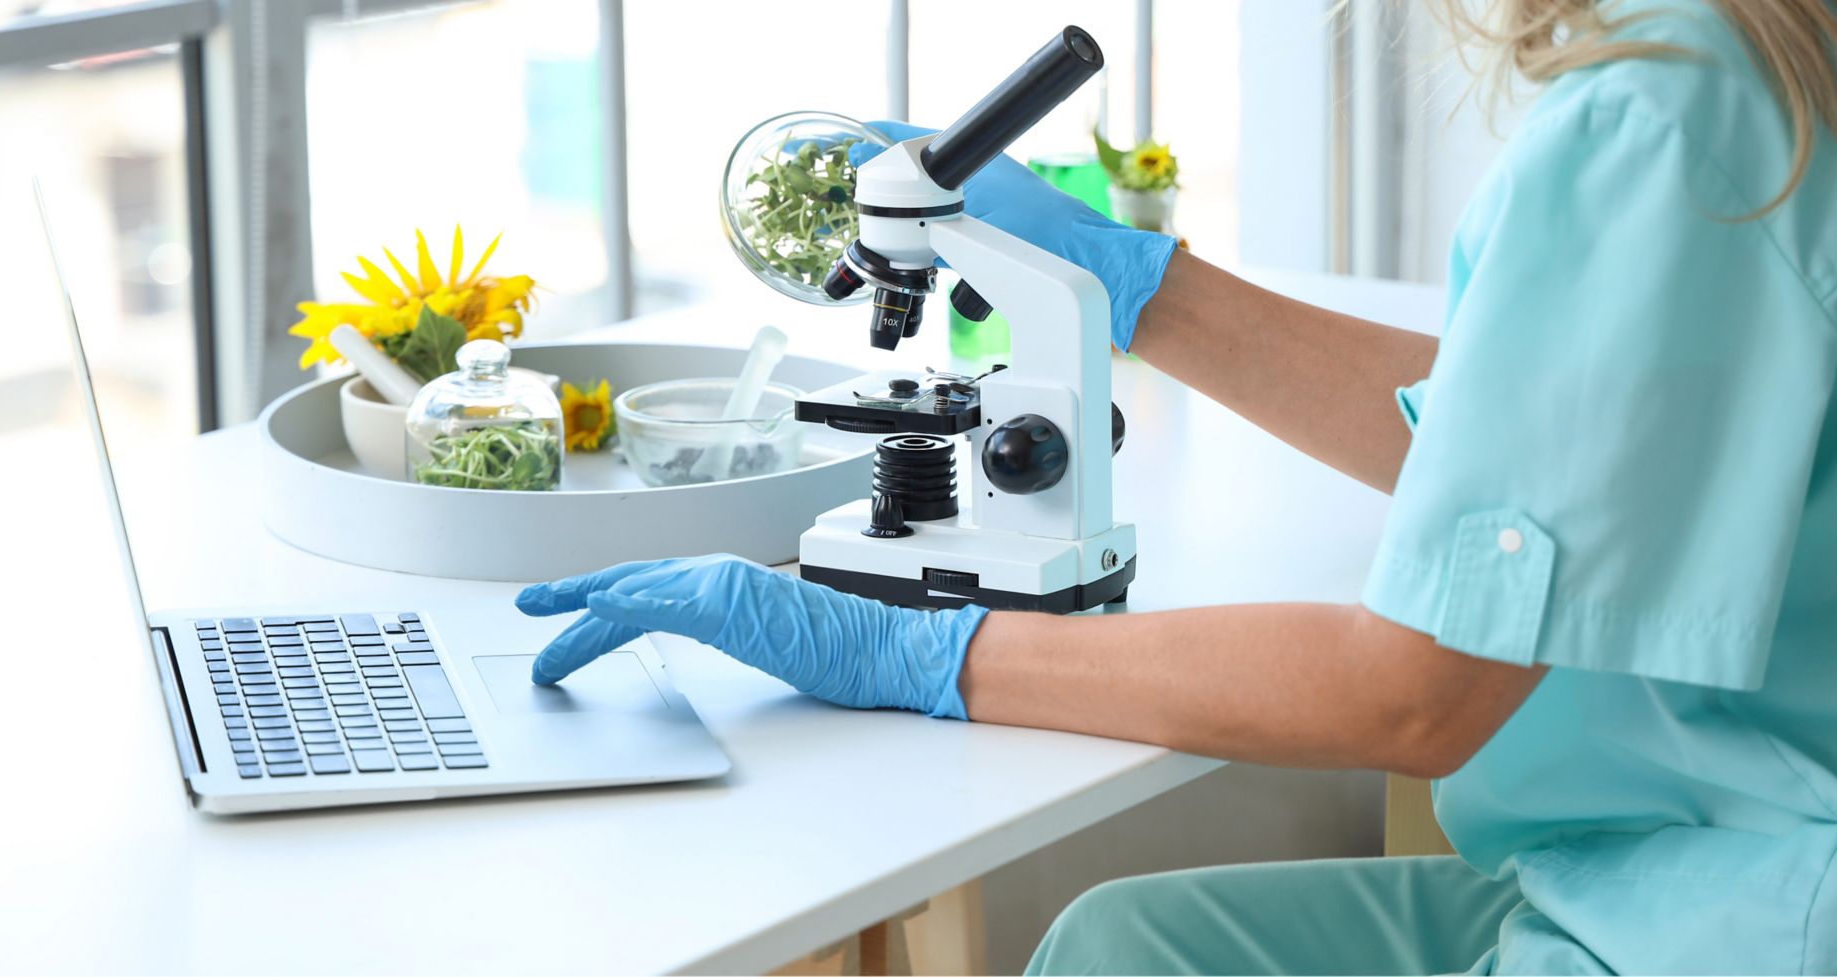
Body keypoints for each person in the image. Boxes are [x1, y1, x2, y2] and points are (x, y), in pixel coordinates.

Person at [516, 0, 1837, 971]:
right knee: (1125, 939)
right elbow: (1557, 437)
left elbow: (1415, 692)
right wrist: (1141, 286)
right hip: (1717, 853)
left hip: (1735, 907)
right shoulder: (1762, 57)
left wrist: (920, 648)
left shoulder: (1663, 99)